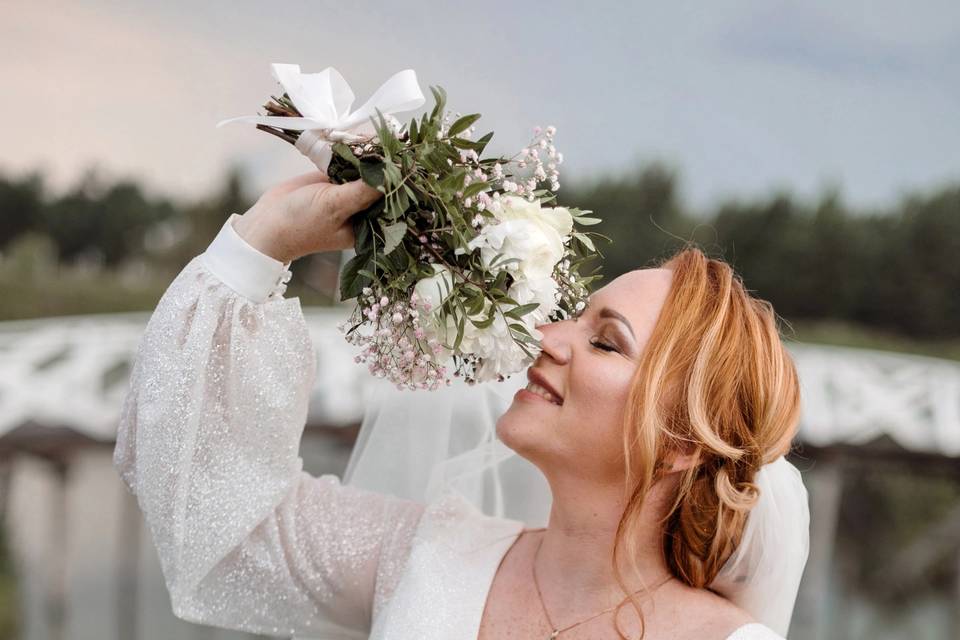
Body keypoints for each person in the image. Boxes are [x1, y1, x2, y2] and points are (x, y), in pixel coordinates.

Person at [114, 170, 807, 639]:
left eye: (604, 342)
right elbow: (217, 509)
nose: (546, 335)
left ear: (682, 443)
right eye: (574, 315)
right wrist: (263, 242)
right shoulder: (428, 556)